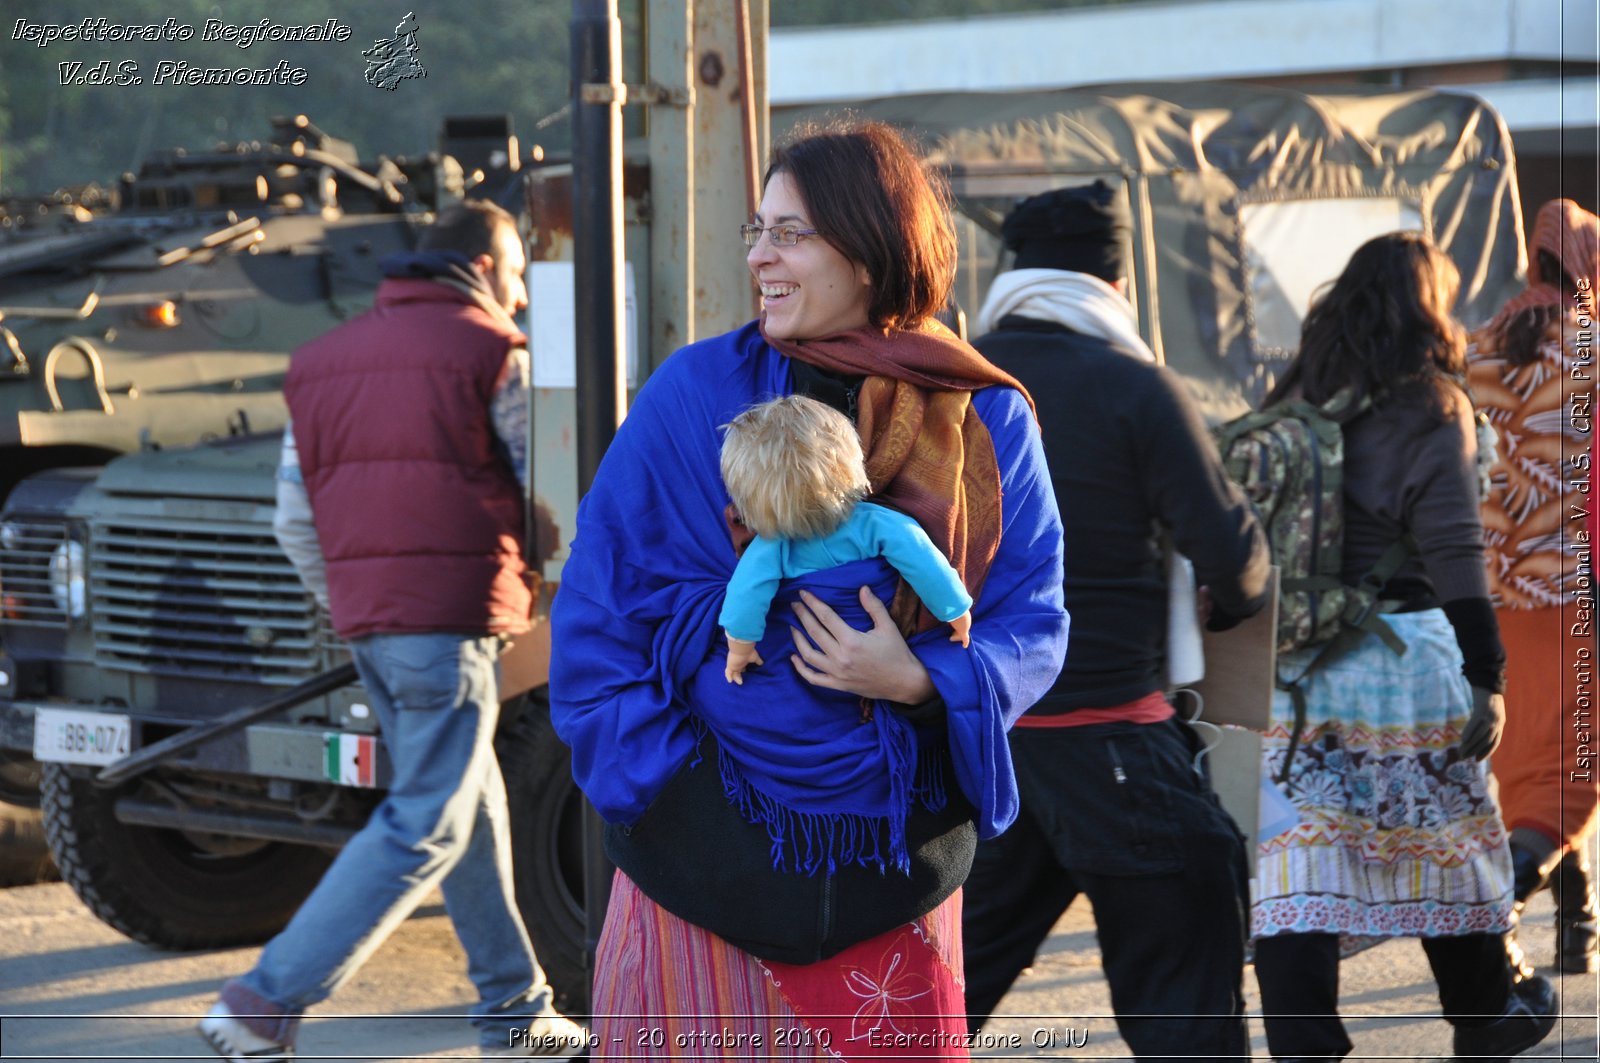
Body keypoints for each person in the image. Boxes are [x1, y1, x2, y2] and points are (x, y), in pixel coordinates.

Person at [548, 120, 1068, 1059]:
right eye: (757, 230)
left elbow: (1030, 618)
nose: (759, 256)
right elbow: (597, 614)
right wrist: (677, 795)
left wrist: (918, 679)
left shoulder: (981, 413)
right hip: (692, 872)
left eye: (790, 233)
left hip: (897, 869)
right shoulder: (693, 393)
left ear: (870, 250)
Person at [198, 200, 587, 1061]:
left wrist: (358, 602)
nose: (519, 298)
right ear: (484, 267)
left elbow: (293, 520)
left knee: (471, 799)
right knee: (427, 821)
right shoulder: (492, 354)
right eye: (518, 275)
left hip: (373, 626)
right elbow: (541, 491)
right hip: (449, 622)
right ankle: (265, 1001)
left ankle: (516, 1012)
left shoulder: (320, 363)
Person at [959, 181, 1270, 1058]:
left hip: (982, 758)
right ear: (1116, 283)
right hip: (1118, 748)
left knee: (921, 1015)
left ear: (1015, 274)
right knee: (1188, 1009)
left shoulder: (955, 385)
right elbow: (1235, 563)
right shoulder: (1137, 386)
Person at [1249, 231, 1557, 1060]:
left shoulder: (1302, 388)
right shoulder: (1433, 403)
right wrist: (1487, 674)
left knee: (1299, 864)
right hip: (1405, 659)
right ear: (1429, 306)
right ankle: (1487, 1016)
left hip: (1300, 665)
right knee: (1448, 842)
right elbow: (1455, 551)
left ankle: (1305, 1042)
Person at [1468, 197, 1600, 975]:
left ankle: (1578, 922)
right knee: (1567, 769)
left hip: (1486, 592)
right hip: (1568, 593)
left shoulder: (1478, 346)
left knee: (1532, 762)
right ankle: (1496, 922)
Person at [719, 393, 973, 684]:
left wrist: (740, 649)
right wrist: (955, 610)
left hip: (808, 655)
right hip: (881, 648)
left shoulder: (770, 546)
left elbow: (745, 594)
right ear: (849, 462)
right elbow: (923, 560)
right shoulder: (874, 522)